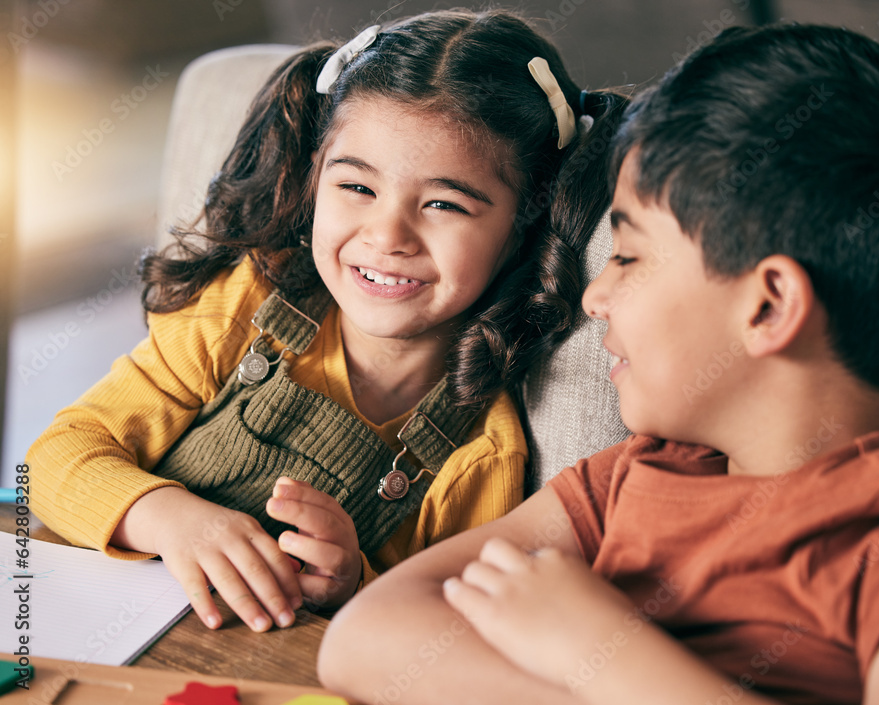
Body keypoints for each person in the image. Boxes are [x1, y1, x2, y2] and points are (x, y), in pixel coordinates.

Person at [317, 24, 879, 704]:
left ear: (767, 307)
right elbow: (365, 638)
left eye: (628, 256)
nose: (595, 295)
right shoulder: (635, 475)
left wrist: (600, 652)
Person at [27, 9, 627, 634]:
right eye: (357, 188)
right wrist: (173, 519)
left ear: (523, 223)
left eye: (444, 204)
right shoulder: (242, 308)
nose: (388, 235)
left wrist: (352, 582)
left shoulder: (482, 455)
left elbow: (440, 634)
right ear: (316, 177)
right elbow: (50, 461)